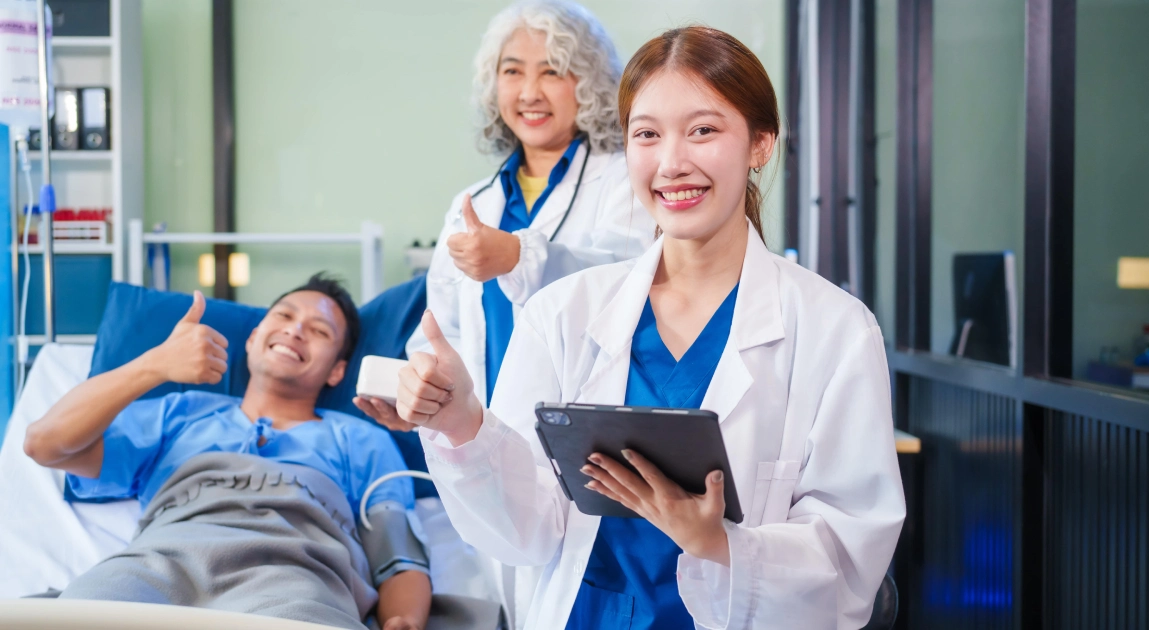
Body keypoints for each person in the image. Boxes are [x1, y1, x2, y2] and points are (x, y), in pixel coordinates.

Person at [384, 27, 906, 630]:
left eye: (704, 130)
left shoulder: (834, 329)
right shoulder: (563, 313)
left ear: (761, 144)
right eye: (647, 134)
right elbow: (523, 534)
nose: (672, 163)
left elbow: (852, 556)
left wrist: (721, 545)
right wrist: (461, 422)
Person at [24, 275, 431, 630]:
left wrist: (405, 619)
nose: (296, 331)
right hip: (155, 565)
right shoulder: (177, 413)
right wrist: (154, 366)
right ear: (253, 338)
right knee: (80, 615)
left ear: (337, 371)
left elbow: (398, 556)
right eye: (284, 317)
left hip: (295, 574)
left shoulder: (362, 438)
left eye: (320, 331)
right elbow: (44, 443)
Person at [356, 0, 654, 425]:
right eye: (512, 71)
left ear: (590, 82)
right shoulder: (473, 205)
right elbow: (442, 335)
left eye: (552, 70)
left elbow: (626, 287)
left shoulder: (626, 180)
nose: (529, 92)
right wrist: (420, 404)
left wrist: (519, 257)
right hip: (484, 442)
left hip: (587, 433)